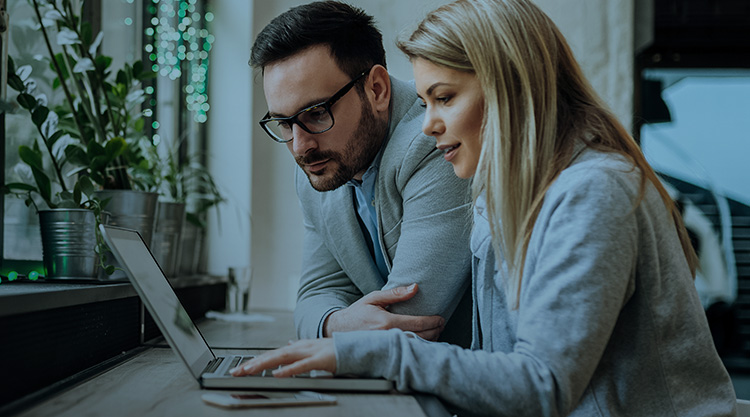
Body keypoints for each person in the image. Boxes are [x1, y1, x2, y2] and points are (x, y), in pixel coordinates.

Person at [234, 0, 738, 415]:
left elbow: (542, 385)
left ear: (509, 90)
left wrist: (369, 350)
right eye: (426, 102)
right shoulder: (503, 198)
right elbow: (496, 362)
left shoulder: (593, 192)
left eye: (444, 98)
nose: (428, 125)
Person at [249, 1, 473, 346]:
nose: (299, 146)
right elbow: (315, 294)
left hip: (464, 387)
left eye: (316, 113)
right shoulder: (322, 164)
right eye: (283, 123)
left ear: (377, 90)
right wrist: (335, 324)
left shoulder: (439, 142)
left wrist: (334, 327)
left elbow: (408, 320)